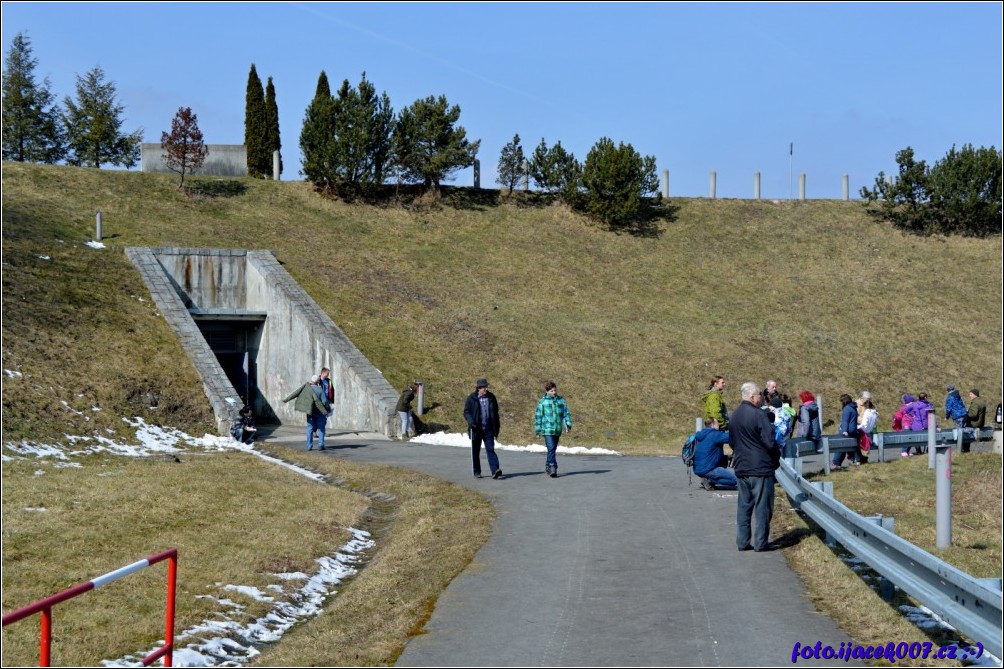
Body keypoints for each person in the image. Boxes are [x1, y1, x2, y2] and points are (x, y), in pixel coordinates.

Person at [730, 381, 781, 552]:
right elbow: (770, 441)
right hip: (760, 467)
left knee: (744, 507)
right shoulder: (759, 415)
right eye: (759, 394)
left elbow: (731, 441)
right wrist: (776, 457)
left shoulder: (735, 415)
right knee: (763, 507)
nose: (762, 397)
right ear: (752, 397)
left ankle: (742, 541)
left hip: (741, 466)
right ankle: (760, 542)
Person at [464, 378, 502, 479]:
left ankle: (495, 470)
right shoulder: (471, 398)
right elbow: (466, 412)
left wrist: (496, 427)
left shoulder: (491, 397)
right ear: (478, 388)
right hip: (476, 429)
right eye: (483, 387)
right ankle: (477, 471)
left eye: (486, 386)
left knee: (490, 449)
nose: (486, 389)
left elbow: (495, 413)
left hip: (488, 429)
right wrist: (471, 421)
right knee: (476, 451)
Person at [282, 374, 332, 451]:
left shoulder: (306, 388)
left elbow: (295, 393)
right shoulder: (319, 390)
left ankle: (309, 446)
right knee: (321, 428)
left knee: (310, 428)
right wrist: (328, 409)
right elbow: (325, 402)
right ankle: (321, 445)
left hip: (310, 411)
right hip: (320, 412)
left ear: (311, 381)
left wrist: (286, 400)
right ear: (318, 382)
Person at [534, 381, 572, 478]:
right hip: (547, 430)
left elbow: (566, 413)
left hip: (557, 429)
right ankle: (552, 467)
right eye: (551, 391)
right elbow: (538, 417)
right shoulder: (542, 402)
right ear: (546, 391)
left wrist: (568, 425)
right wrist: (538, 431)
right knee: (551, 448)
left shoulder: (560, 400)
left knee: (552, 449)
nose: (554, 392)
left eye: (555, 390)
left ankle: (548, 464)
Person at [693, 417, 737, 491]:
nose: (719, 425)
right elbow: (731, 437)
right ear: (713, 424)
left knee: (724, 458)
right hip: (709, 468)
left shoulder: (701, 434)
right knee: (734, 480)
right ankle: (709, 480)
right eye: (717, 423)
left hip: (698, 468)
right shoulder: (714, 434)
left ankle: (707, 478)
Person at [831, 394, 859, 469]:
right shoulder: (854, 407)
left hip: (847, 430)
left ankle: (835, 463)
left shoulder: (847, 408)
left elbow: (845, 421)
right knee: (849, 447)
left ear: (844, 401)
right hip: (853, 430)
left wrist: (844, 430)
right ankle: (855, 460)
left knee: (840, 446)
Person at [902, 392, 934, 457]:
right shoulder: (928, 405)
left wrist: (912, 414)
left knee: (916, 437)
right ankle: (927, 450)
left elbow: (905, 410)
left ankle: (918, 451)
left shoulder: (914, 404)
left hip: (916, 424)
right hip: (925, 423)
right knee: (929, 437)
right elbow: (931, 415)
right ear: (925, 398)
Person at [857, 399, 878, 463]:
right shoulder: (875, 413)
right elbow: (874, 425)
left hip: (864, 431)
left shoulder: (867, 412)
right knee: (866, 448)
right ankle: (864, 459)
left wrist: (857, 427)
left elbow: (864, 424)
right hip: (870, 432)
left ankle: (859, 459)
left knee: (861, 446)